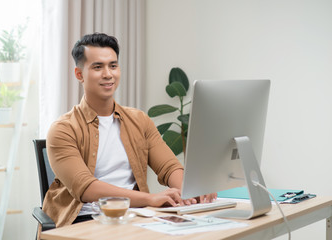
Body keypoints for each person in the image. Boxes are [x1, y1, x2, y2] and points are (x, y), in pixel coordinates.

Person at [44, 33, 216, 228]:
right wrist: (149, 198)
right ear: (79, 74)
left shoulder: (139, 120)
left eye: (113, 65)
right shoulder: (62, 129)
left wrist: (191, 189)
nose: (108, 74)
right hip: (84, 220)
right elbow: (86, 188)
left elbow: (169, 167)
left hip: (135, 217)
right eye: (98, 67)